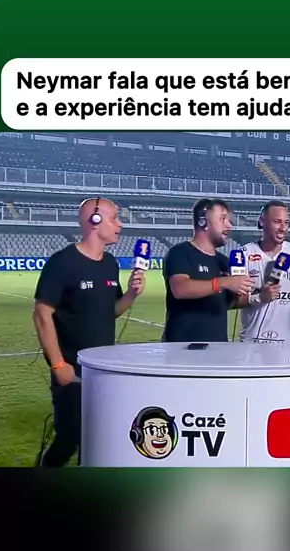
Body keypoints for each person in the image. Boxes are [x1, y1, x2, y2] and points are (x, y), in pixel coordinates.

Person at [33, 197, 145, 467]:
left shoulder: (110, 264)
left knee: (96, 439)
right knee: (68, 439)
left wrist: (131, 294)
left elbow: (110, 311)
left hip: (102, 371)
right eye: (114, 218)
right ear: (95, 221)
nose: (120, 224)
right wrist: (58, 364)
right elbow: (41, 314)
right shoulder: (63, 263)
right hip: (71, 371)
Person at [162, 198, 252, 342]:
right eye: (223, 219)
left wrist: (253, 294)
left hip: (218, 348)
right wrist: (223, 282)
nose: (229, 225)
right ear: (202, 222)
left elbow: (227, 304)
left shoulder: (223, 261)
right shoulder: (179, 252)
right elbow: (180, 289)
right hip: (182, 348)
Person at [237, 201, 290, 344]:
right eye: (277, 222)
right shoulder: (243, 254)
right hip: (252, 342)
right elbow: (234, 300)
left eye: (286, 223)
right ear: (262, 222)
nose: (283, 228)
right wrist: (259, 297)